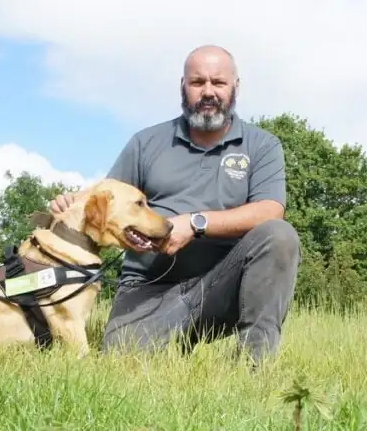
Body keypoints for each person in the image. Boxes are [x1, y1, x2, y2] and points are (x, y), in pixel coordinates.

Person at [49, 44, 301, 368]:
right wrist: (70, 206)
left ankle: (254, 367)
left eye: (218, 83)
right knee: (120, 361)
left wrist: (196, 223)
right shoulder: (146, 142)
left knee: (279, 236)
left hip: (221, 287)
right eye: (197, 82)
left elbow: (270, 210)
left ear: (235, 87)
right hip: (148, 288)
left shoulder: (262, 145)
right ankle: (168, 336)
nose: (208, 92)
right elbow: (106, 202)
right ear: (182, 86)